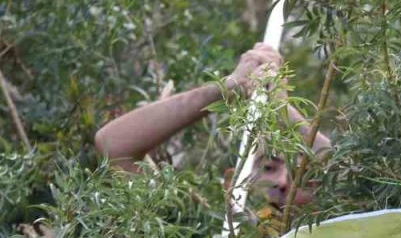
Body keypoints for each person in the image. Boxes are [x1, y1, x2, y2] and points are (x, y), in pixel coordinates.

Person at [94, 43, 330, 213]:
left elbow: (340, 173)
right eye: (269, 167)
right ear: (232, 182)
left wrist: (284, 112)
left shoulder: (333, 237)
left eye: (302, 174)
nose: (282, 182)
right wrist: (226, 90)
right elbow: (113, 145)